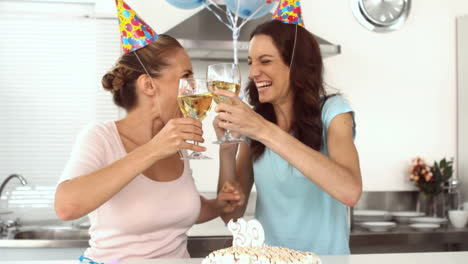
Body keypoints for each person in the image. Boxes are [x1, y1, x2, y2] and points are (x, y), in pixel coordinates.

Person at [54, 1, 242, 262]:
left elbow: (176, 209)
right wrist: (153, 150)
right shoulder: (101, 137)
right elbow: (66, 206)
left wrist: (217, 205)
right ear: (148, 85)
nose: (194, 87)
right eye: (185, 76)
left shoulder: (176, 142)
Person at [213, 19, 362, 255]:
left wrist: (263, 130)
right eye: (250, 62)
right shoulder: (257, 124)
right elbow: (230, 215)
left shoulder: (333, 112)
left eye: (266, 61)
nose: (253, 73)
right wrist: (227, 148)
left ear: (297, 65)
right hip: (271, 259)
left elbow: (350, 191)